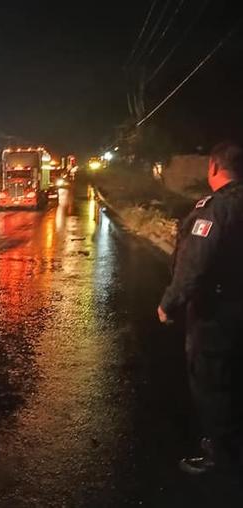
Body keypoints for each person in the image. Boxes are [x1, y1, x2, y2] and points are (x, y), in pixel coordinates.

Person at [158, 141, 243, 475]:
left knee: (213, 384)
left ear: (213, 167)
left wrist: (170, 303)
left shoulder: (215, 209)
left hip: (216, 315)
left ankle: (222, 457)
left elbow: (195, 263)